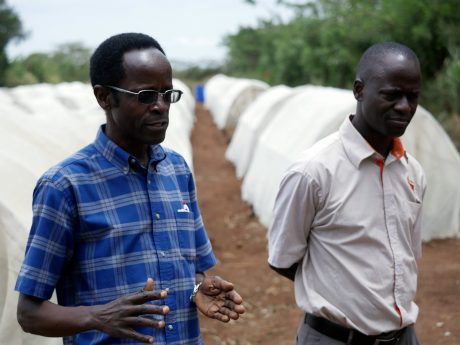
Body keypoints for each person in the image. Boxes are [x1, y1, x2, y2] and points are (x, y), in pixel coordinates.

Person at [15, 32, 245, 345]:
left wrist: (196, 289)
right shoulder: (65, 186)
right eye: (146, 95)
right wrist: (95, 318)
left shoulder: (176, 170)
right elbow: (29, 313)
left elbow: (191, 269)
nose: (161, 107)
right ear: (104, 97)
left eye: (168, 94)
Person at [268, 42, 425, 345]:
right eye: (392, 95)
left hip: (404, 337)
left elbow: (404, 256)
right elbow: (282, 258)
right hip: (336, 338)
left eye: (413, 96)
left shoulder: (412, 172)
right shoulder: (313, 172)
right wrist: (339, 289)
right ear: (359, 90)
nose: (405, 106)